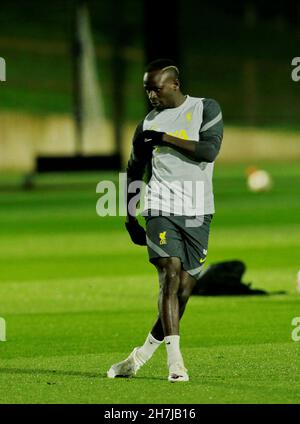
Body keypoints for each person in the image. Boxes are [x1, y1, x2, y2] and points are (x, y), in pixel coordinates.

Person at [107, 58, 223, 382]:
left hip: (199, 211)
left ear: (173, 84)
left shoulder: (206, 109)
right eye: (147, 90)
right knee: (169, 275)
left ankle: (138, 356)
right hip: (160, 207)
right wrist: (130, 216)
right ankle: (176, 364)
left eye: (155, 89)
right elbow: (133, 171)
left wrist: (166, 138)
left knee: (184, 290)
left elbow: (209, 151)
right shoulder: (146, 126)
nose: (151, 96)